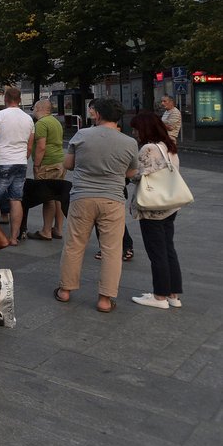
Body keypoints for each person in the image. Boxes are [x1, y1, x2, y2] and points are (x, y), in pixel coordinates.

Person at [55, 98, 138, 314]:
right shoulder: (129, 142)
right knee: (112, 250)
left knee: (74, 245)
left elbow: (68, 164)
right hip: (112, 199)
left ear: (98, 114)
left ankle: (65, 290)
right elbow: (131, 172)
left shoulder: (82, 135)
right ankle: (105, 298)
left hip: (82, 197)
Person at [128, 113, 184, 310]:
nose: (134, 133)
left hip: (153, 207)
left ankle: (159, 296)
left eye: (136, 129)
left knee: (156, 251)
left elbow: (137, 175)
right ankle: (173, 294)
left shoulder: (149, 148)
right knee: (168, 248)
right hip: (170, 204)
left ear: (145, 129)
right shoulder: (169, 146)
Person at [0, 87, 34, 246]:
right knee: (16, 199)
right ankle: (13, 237)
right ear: (19, 100)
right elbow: (30, 145)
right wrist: (23, 158)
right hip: (20, 162)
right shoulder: (28, 118)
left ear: (5, 99)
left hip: (1, 162)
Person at [29, 99, 66, 241]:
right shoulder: (55, 121)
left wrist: (36, 165)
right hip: (59, 162)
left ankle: (46, 231)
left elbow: (41, 146)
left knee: (47, 197)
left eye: (34, 107)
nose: (33, 109)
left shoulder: (41, 124)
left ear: (38, 108)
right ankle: (58, 229)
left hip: (47, 164)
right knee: (57, 197)